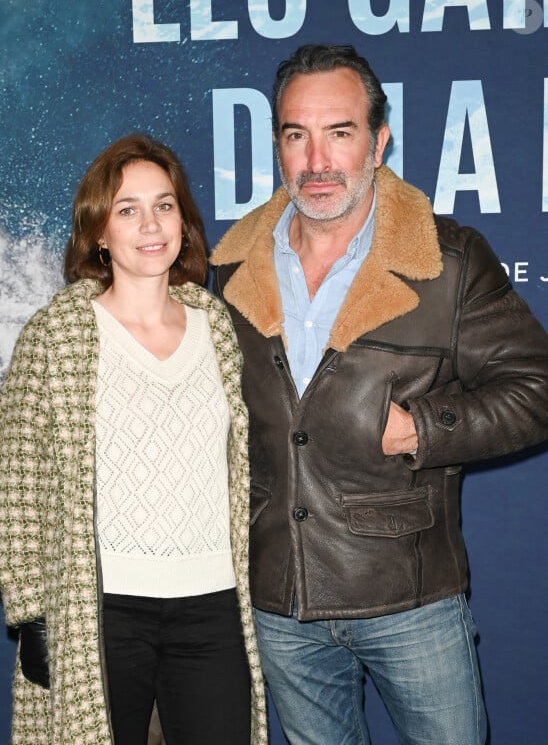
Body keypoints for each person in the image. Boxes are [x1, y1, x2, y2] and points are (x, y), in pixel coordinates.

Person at [210, 43, 548, 745]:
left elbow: (537, 387)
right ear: (277, 144)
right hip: (282, 599)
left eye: (340, 132)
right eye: (296, 135)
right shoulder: (230, 267)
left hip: (409, 594)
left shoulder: (447, 260)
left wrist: (425, 427)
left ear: (378, 141)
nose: (317, 160)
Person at [0, 134, 268, 745]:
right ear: (98, 233)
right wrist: (32, 608)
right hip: (102, 611)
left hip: (212, 602)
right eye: (127, 209)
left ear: (185, 223)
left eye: (164, 206)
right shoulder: (59, 333)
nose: (150, 225)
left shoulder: (215, 326)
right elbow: (14, 468)